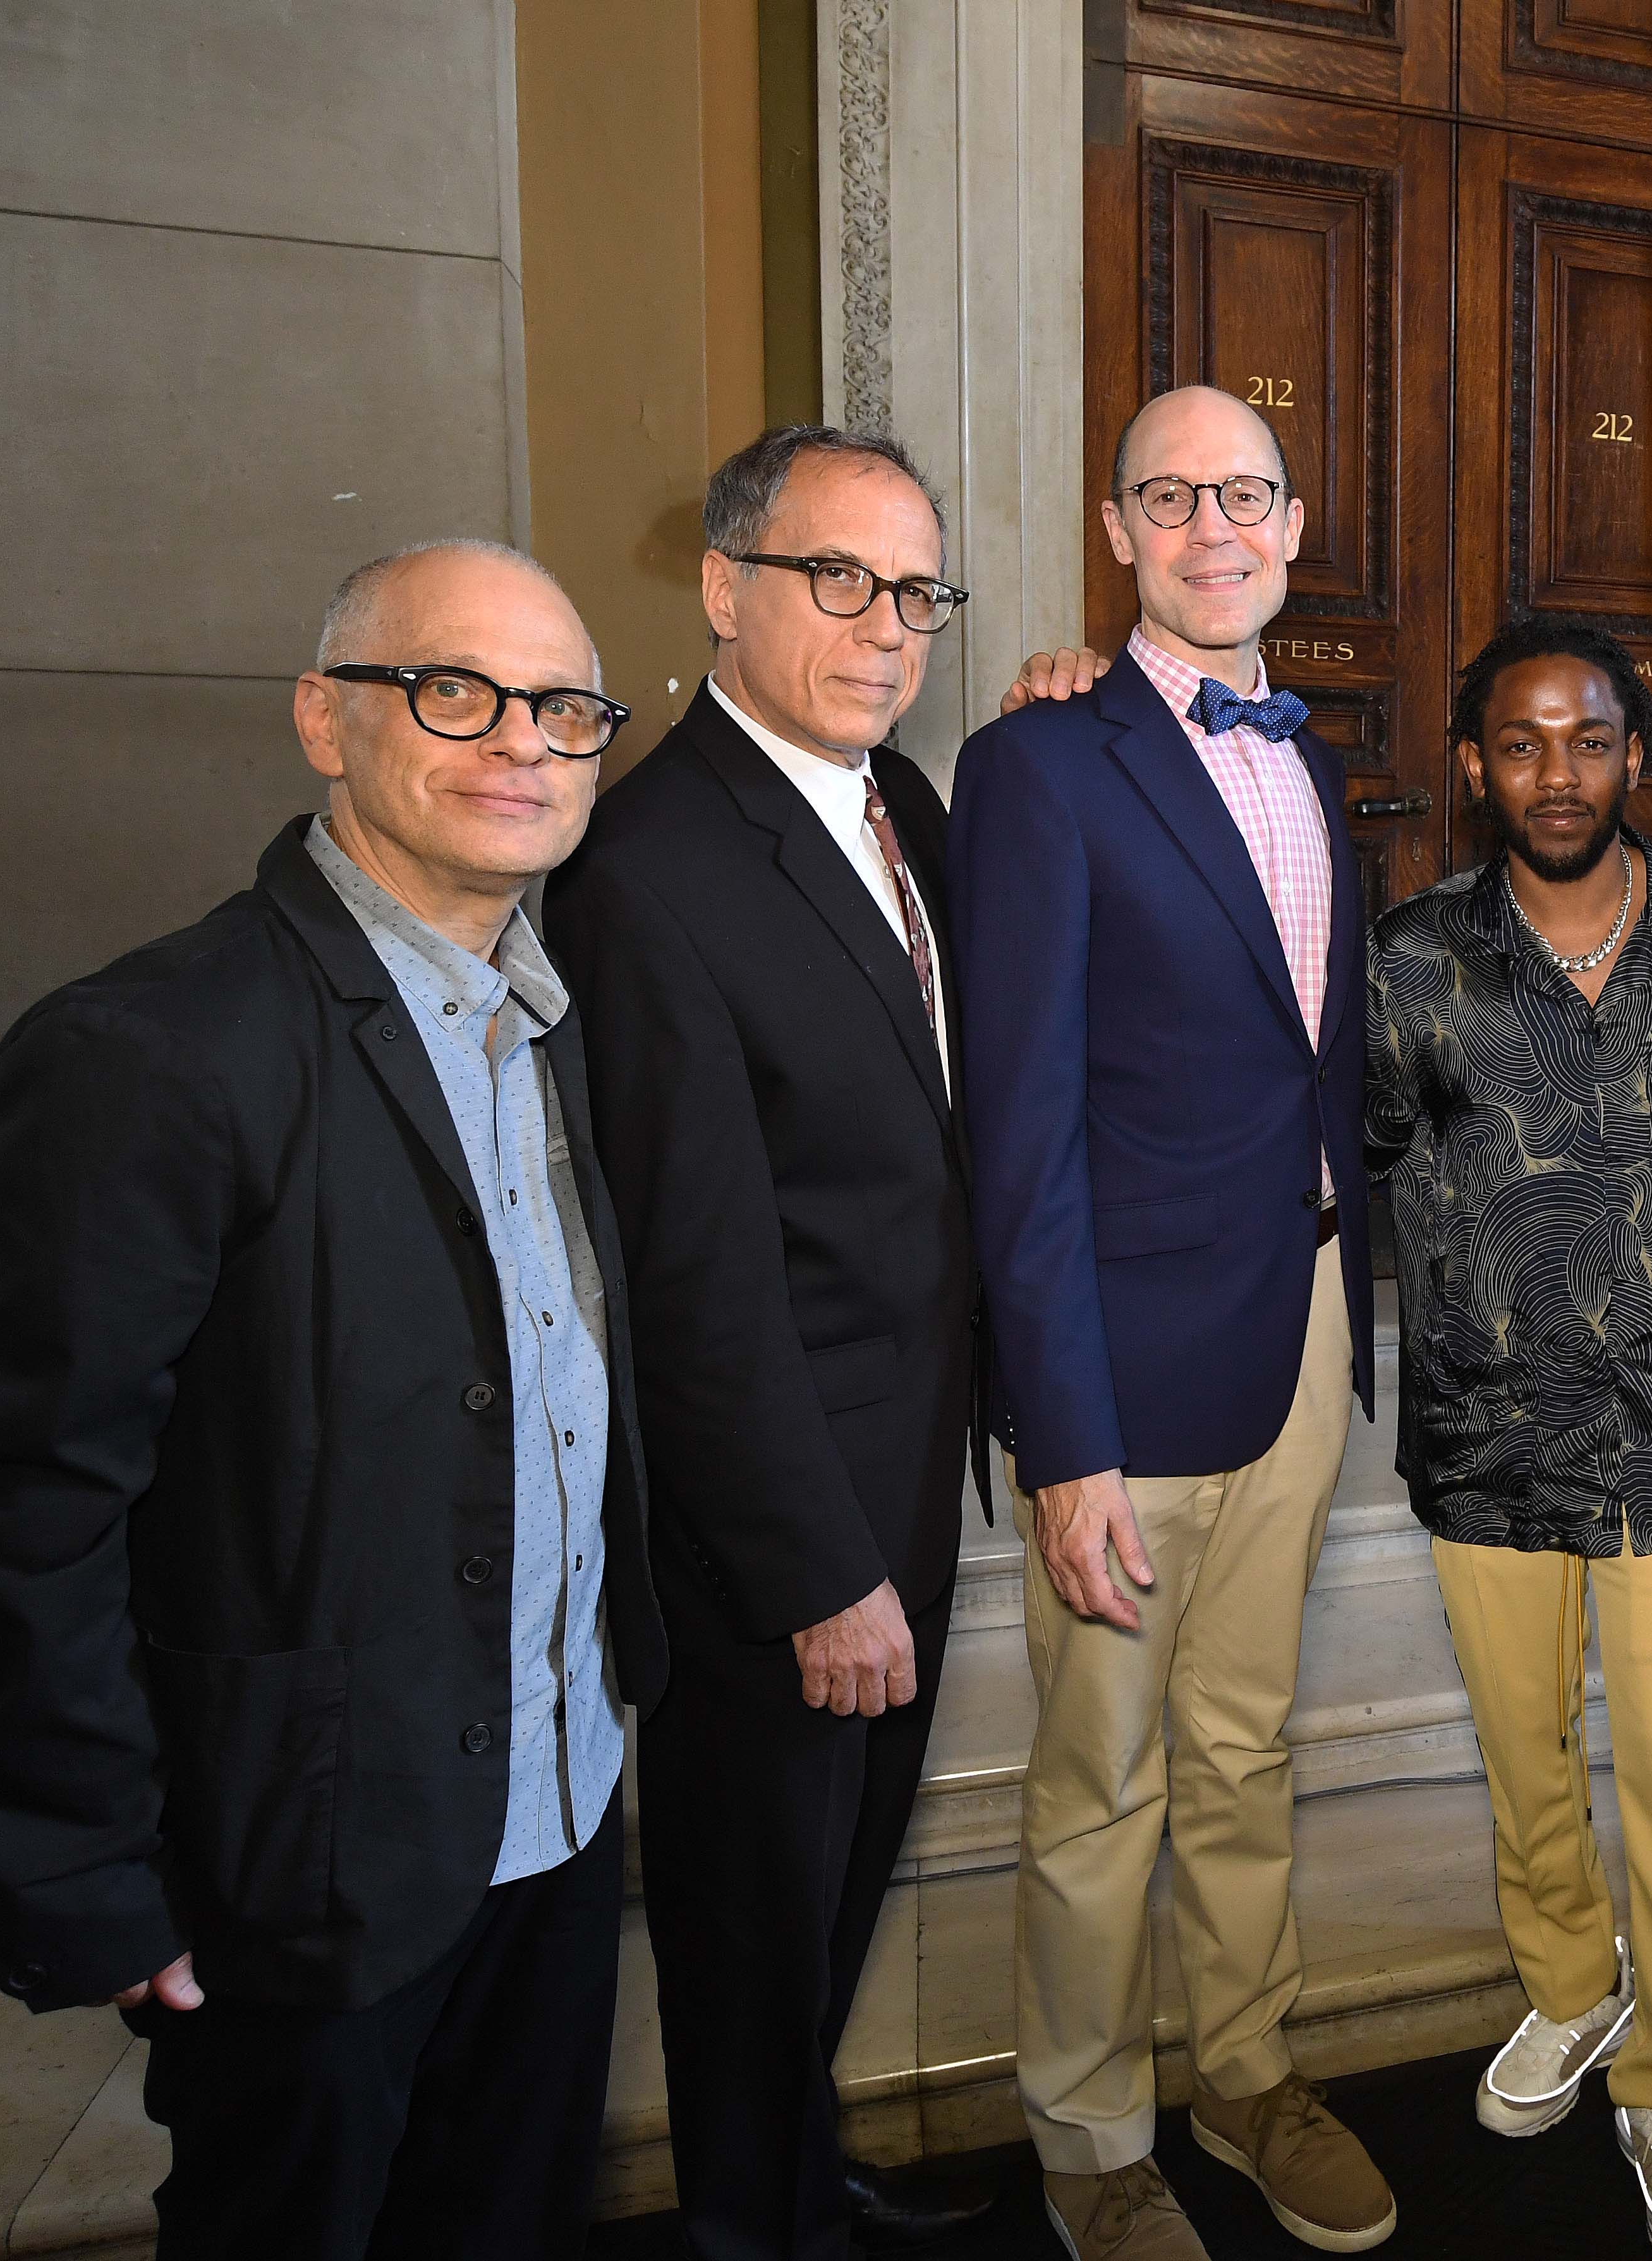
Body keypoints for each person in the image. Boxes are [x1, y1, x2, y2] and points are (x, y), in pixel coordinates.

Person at [0, 541, 663, 2257]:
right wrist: (88, 1870)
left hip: (553, 1809)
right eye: (454, 690)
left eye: (566, 708)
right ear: (325, 716)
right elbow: (13, 1504)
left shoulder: (547, 1022)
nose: (522, 741)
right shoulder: (154, 1048)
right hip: (303, 1864)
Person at [947, 384, 1392, 2261]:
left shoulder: (1312, 759)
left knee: (1242, 1746)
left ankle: (1243, 2068)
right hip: (1124, 1370)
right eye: (1170, 496)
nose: (1214, 526)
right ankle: (1087, 2137)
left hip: (1294, 1329)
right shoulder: (1041, 763)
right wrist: (1062, 1437)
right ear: (1117, 529)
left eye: (1248, 493)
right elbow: (1018, 1123)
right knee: (1101, 1775)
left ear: (1293, 524)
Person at [538, 428, 993, 2260]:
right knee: (745, 1920)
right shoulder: (650, 866)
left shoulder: (906, 810)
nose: (885, 630)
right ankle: (753, 2220)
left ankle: (800, 2178)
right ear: (726, 590)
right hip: (779, 1531)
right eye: (839, 580)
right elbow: (694, 1279)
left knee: (826, 1898)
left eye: (917, 593)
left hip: (899, 1464)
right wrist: (818, 1570)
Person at [1366, 619, 1652, 2261]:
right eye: (1523, 743)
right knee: (1525, 1762)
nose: (1558, 772)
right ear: (1474, 765)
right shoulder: (1410, 960)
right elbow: (1357, 1158)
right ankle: (1568, 1986)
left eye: (1589, 739)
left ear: (1633, 752)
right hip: (1485, 1436)